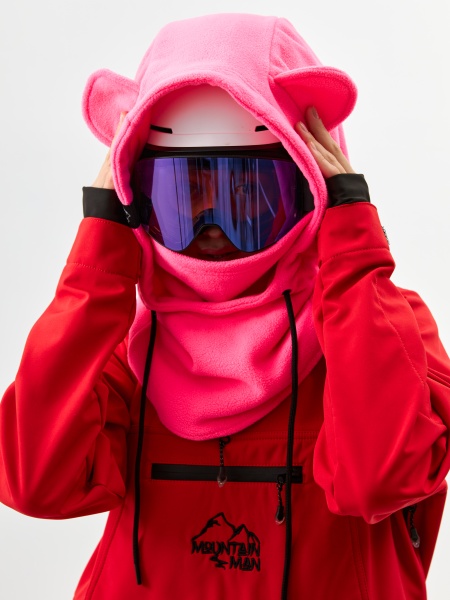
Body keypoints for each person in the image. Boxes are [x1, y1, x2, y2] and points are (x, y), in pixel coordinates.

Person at [1, 12, 450, 600]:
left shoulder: (379, 322)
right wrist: (101, 256)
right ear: (136, 198)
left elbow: (379, 480)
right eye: (184, 194)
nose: (212, 225)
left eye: (246, 194)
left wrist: (351, 246)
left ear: (311, 189)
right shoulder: (126, 348)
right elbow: (34, 482)